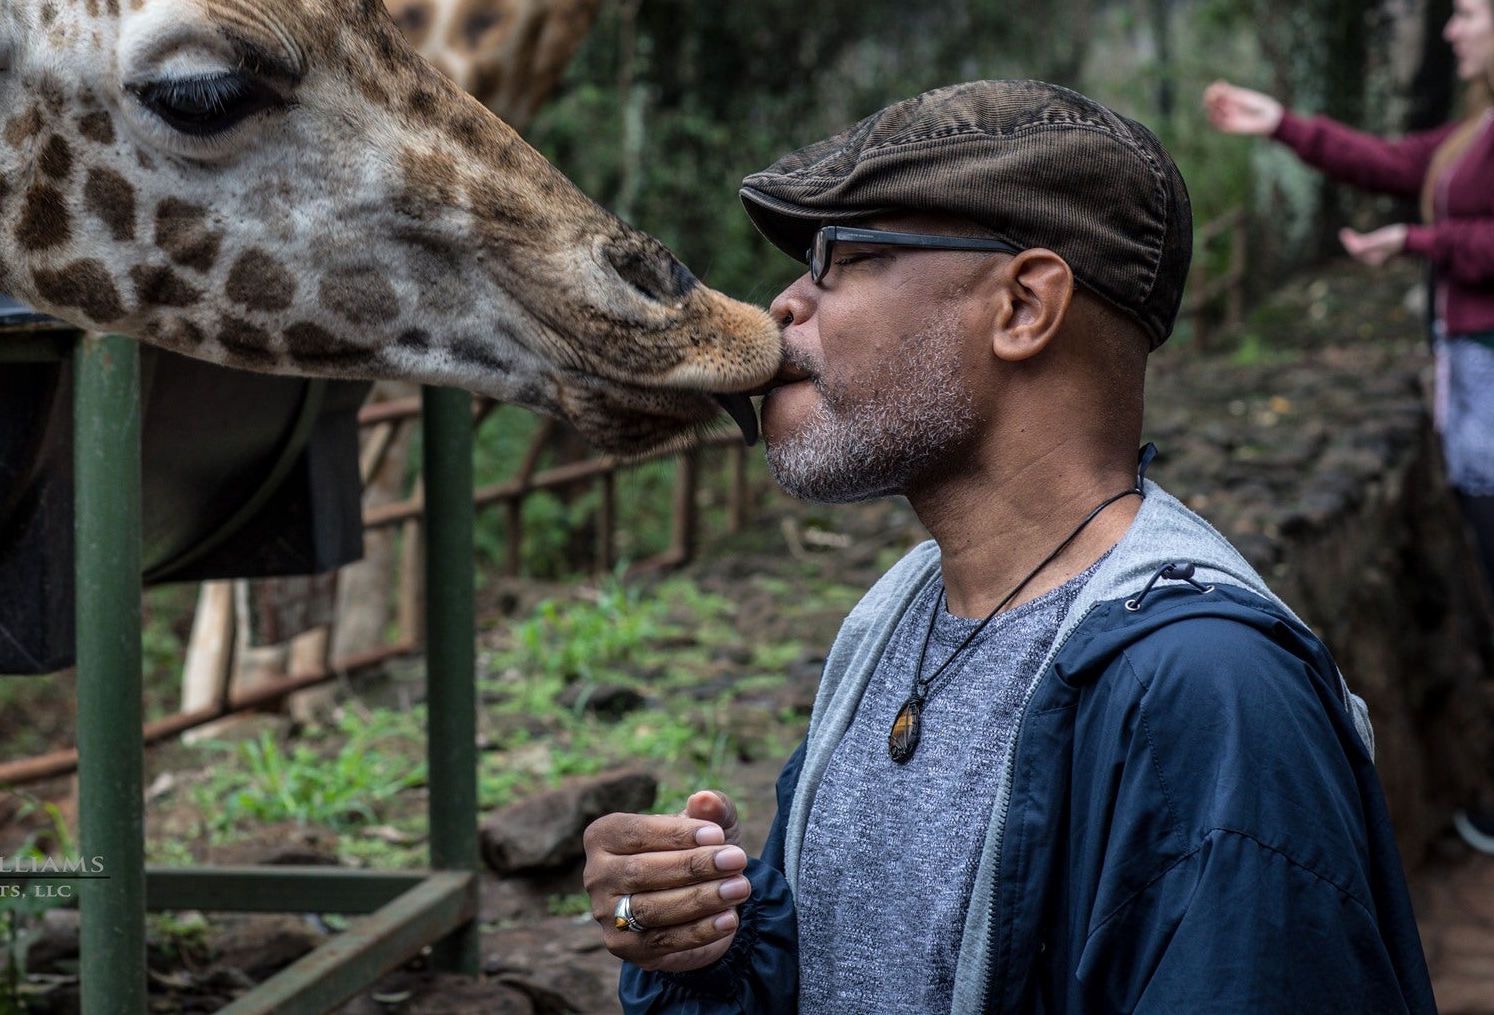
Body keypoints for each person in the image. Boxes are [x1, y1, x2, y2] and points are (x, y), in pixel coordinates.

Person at [587, 80, 1436, 1014]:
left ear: (1025, 306)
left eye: (843, 257)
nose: (784, 306)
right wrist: (703, 948)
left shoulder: (1209, 696)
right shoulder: (892, 620)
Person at [1205, 0, 1494, 853]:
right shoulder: (1474, 129)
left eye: (1468, 13)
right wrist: (1283, 124)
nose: (1451, 29)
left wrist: (1417, 239)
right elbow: (1393, 162)